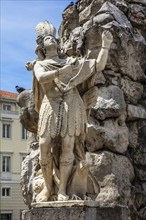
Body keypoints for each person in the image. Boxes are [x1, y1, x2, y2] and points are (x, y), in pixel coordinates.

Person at [32, 21, 113, 202]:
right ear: (42, 46)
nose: (51, 39)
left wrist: (105, 47)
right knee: (44, 146)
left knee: (68, 145)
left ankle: (62, 190)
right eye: (46, 38)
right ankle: (47, 187)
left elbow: (98, 66)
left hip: (71, 103)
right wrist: (61, 73)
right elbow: (41, 77)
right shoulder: (41, 64)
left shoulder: (71, 62)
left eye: (53, 37)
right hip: (50, 105)